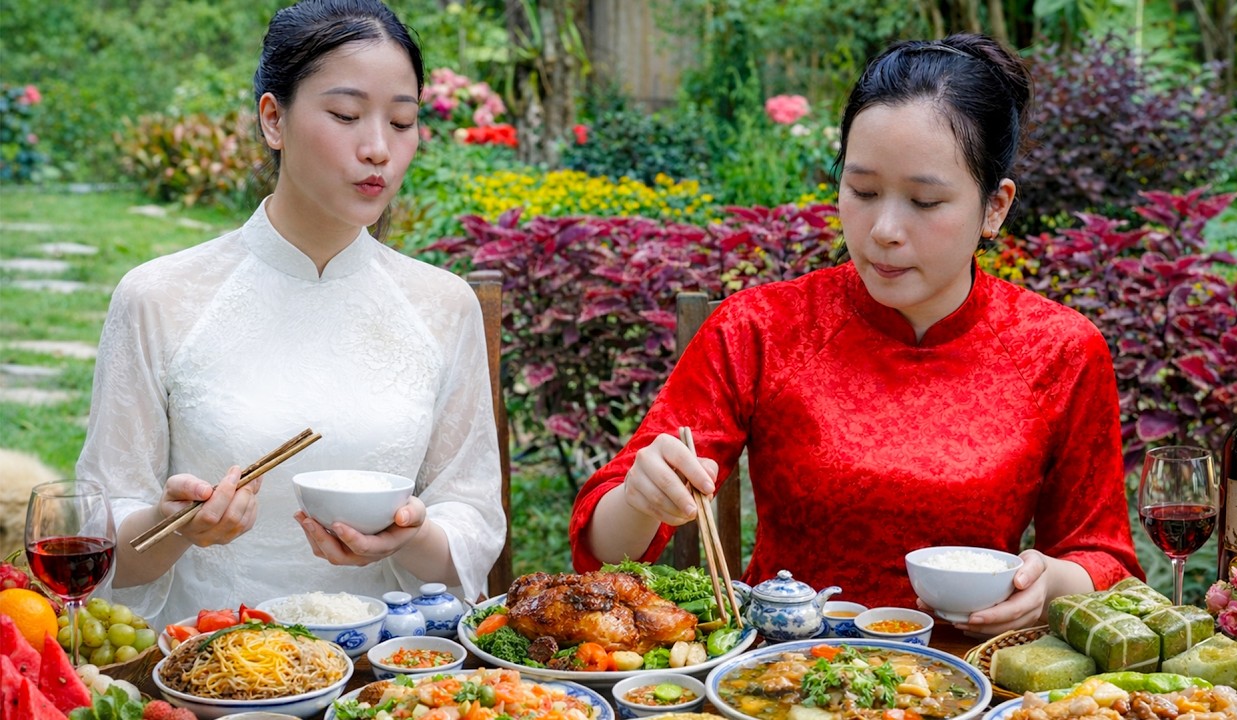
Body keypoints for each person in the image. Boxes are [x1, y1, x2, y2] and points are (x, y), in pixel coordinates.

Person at [569, 33, 1142, 636]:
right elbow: (604, 550)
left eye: (925, 201)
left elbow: (1103, 559)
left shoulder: (1058, 348)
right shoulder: (762, 328)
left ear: (994, 208)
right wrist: (640, 498)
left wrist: (1050, 584)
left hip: (976, 677)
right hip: (783, 677)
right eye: (863, 192)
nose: (885, 230)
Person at [77, 0, 505, 626]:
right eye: (346, 115)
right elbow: (102, 537)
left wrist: (409, 536)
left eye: (403, 121)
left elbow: (471, 522)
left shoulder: (443, 306)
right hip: (209, 665)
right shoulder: (160, 297)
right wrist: (176, 527)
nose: (379, 149)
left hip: (388, 672)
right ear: (274, 120)